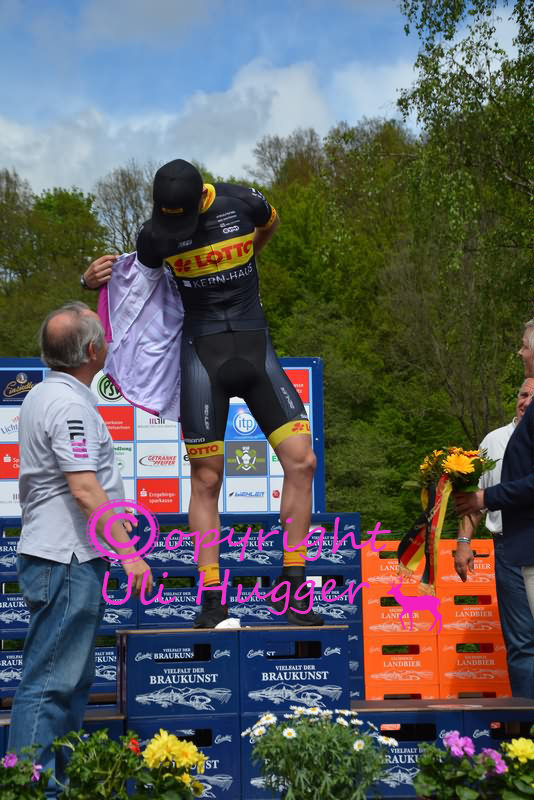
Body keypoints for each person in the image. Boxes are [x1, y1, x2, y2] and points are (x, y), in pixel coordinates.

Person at [82, 159, 322, 628]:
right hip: (201, 357)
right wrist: (89, 282)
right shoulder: (153, 236)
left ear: (201, 199)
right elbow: (130, 289)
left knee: (302, 461)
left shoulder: (242, 202)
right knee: (207, 479)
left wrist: (250, 257)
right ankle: (212, 598)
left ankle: (292, 588)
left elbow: (269, 225)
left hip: (256, 350)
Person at [8, 302, 152, 793]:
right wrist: (129, 554)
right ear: (93, 350)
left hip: (64, 557)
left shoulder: (47, 394)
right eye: (103, 336)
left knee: (67, 683)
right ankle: (28, 789)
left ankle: (53, 785)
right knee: (51, 683)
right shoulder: (68, 405)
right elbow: (86, 489)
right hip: (66, 558)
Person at [454, 378, 534, 697]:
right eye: (523, 394)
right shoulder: (494, 440)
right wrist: (463, 543)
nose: (526, 401)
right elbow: (474, 500)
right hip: (508, 550)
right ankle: (527, 723)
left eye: (533, 396)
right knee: (522, 642)